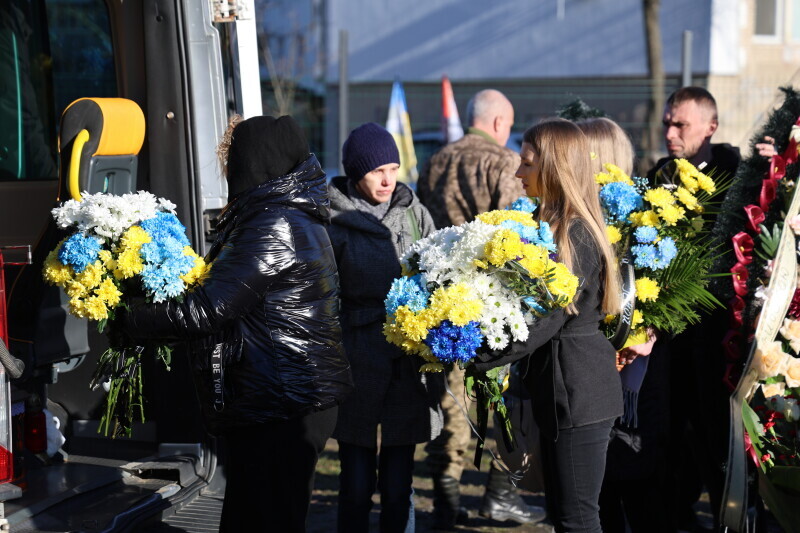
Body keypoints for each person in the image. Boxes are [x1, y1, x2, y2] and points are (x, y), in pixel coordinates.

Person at [120, 115, 353, 532]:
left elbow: (206, 309)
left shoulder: (273, 223)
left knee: (265, 520)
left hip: (281, 405)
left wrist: (128, 318)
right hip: (284, 401)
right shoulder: (290, 213)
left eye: (234, 159)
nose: (229, 170)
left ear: (254, 162)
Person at [474, 118, 623, 533]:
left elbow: (543, 318)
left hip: (579, 394)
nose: (518, 173)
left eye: (527, 164)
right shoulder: (555, 225)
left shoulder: (574, 235)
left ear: (554, 167)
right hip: (561, 392)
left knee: (578, 520)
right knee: (564, 517)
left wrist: (476, 353)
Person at [417, 89, 542, 529]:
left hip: (439, 294)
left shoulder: (435, 160)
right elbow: (516, 230)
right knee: (503, 397)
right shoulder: (503, 163)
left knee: (447, 400)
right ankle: (498, 491)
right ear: (497, 124)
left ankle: (445, 497)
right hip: (490, 300)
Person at [326, 122, 444, 533]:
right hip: (355, 356)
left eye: (393, 168)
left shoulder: (415, 212)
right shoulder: (333, 219)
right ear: (356, 172)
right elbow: (323, 291)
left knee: (399, 484)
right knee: (355, 482)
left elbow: (437, 272)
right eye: (377, 170)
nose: (388, 179)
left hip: (406, 361)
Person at [647, 87, 740, 532]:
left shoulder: (737, 175)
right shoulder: (659, 174)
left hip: (715, 334)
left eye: (680, 123)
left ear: (711, 126)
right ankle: (673, 515)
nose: (669, 132)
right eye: (667, 122)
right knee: (666, 432)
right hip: (666, 336)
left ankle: (727, 515)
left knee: (712, 434)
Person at [577, 117, 672, 533]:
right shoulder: (580, 217)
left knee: (631, 485)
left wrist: (644, 331)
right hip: (596, 371)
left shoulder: (646, 218)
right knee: (602, 494)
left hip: (635, 380)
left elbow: (665, 292)